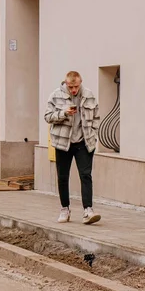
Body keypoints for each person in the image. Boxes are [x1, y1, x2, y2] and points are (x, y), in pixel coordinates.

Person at [44, 71, 101, 225]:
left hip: (84, 142)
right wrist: (63, 113)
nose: (74, 90)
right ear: (66, 83)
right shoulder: (56, 95)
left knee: (85, 175)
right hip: (63, 143)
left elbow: (96, 116)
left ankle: (88, 210)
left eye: (76, 86)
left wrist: (93, 134)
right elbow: (47, 116)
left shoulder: (88, 95)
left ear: (80, 82)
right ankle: (65, 209)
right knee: (62, 177)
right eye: (71, 87)